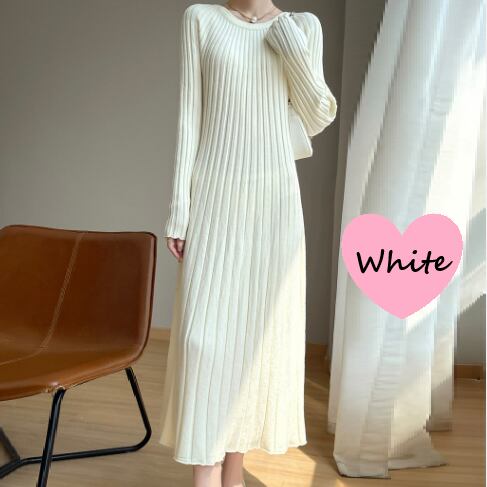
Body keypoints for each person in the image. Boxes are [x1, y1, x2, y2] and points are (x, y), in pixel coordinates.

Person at [160, 1, 337, 486]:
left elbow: (319, 113)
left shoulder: (302, 27)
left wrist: (290, 46)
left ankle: (233, 471)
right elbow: (190, 117)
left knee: (254, 344)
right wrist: (180, 209)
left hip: (273, 205)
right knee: (202, 340)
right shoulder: (201, 19)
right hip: (214, 197)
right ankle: (206, 472)